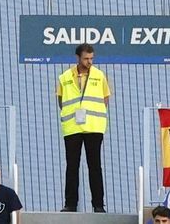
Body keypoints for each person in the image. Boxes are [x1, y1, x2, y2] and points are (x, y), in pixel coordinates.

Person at [58, 42, 109, 213]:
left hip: (94, 127)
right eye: (86, 58)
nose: (90, 62)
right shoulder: (64, 77)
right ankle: (70, 204)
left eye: (91, 58)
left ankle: (98, 205)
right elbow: (61, 101)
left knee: (94, 166)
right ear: (77, 58)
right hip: (72, 127)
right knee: (72, 166)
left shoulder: (99, 75)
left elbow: (105, 99)